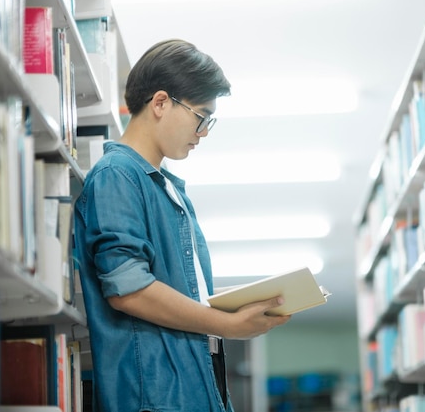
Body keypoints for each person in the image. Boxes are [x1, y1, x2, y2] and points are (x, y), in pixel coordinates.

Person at [73, 39, 291, 412]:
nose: (203, 132)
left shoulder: (167, 188)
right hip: (155, 397)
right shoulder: (117, 176)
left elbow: (179, 288)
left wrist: (237, 308)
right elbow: (129, 289)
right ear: (160, 103)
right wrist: (227, 325)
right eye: (200, 116)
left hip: (193, 388)